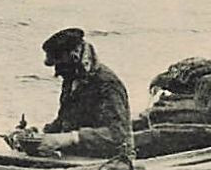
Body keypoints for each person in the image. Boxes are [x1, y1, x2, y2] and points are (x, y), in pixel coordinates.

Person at [25, 28, 133, 158]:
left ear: (75, 54)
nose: (57, 71)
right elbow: (64, 121)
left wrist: (71, 138)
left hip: (111, 161)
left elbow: (117, 135)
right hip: (78, 157)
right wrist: (37, 136)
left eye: (60, 63)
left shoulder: (107, 84)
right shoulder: (72, 78)